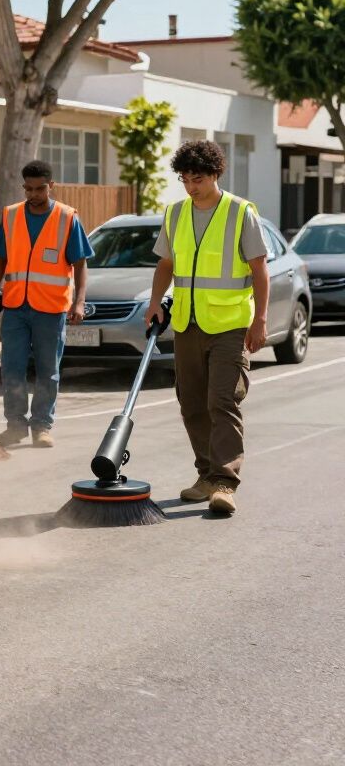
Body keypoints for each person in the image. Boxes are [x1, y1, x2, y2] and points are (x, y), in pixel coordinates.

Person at [144, 139, 269, 516]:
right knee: (192, 403)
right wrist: (154, 302)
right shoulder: (176, 213)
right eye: (184, 179)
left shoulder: (239, 212)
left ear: (215, 173)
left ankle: (225, 483)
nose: (190, 186)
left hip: (230, 324)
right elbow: (167, 264)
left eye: (197, 179)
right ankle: (205, 475)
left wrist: (260, 319)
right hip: (187, 322)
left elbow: (259, 269)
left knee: (222, 400)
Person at [0, 160, 93, 448]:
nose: (33, 194)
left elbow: (81, 264)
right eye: (28, 189)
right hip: (15, 307)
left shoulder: (67, 218)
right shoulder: (10, 216)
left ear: (51, 185)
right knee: (12, 368)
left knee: (48, 370)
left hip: (51, 309)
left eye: (39, 189)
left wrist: (79, 302)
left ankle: (42, 426)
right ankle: (15, 425)